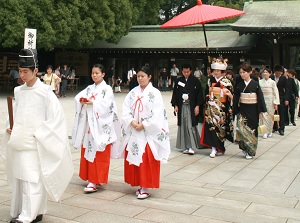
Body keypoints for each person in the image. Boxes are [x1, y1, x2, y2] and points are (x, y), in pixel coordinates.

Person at [0, 48, 73, 223]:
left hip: (35, 141)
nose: (23, 75)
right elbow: (16, 114)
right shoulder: (19, 91)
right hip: (19, 140)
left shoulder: (46, 92)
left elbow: (56, 119)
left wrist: (41, 134)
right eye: (20, 71)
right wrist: (11, 126)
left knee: (31, 178)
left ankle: (28, 215)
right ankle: (32, 211)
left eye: (26, 71)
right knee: (20, 178)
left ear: (35, 70)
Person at [122, 66, 170, 199]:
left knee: (146, 158)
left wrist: (144, 124)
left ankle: (145, 186)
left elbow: (158, 113)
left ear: (149, 77)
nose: (140, 78)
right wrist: (131, 121)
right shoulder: (132, 93)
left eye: (143, 76)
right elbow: (126, 109)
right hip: (134, 129)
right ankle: (138, 183)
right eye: (138, 76)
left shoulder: (155, 93)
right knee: (135, 156)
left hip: (148, 132)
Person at [72, 64, 122, 193]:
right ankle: (91, 178)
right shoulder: (89, 88)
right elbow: (78, 97)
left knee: (99, 153)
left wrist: (93, 103)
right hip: (89, 125)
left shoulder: (107, 89)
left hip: (101, 126)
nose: (94, 75)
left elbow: (107, 106)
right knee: (88, 149)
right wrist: (82, 101)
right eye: (93, 73)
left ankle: (95, 180)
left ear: (103, 74)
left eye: (97, 73)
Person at [201, 59, 234, 158]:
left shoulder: (227, 81)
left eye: (218, 71)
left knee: (221, 128)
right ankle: (213, 148)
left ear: (222, 72)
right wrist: (208, 96)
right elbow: (206, 92)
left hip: (222, 107)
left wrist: (228, 95)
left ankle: (220, 147)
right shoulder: (209, 80)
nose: (215, 72)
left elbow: (231, 95)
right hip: (211, 106)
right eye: (214, 70)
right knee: (211, 127)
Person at [233, 63, 267, 159]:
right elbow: (236, 98)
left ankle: (251, 151)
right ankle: (244, 148)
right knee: (242, 130)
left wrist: (260, 111)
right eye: (240, 73)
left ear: (250, 72)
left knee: (252, 130)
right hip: (243, 109)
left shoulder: (255, 84)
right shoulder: (239, 85)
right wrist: (234, 109)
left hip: (253, 109)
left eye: (244, 72)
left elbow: (260, 98)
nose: (242, 74)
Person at [171, 64, 204, 155]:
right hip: (182, 105)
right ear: (182, 71)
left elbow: (199, 94)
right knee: (183, 125)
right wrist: (175, 105)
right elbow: (175, 94)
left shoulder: (195, 81)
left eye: (188, 72)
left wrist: (197, 106)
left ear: (191, 71)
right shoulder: (178, 81)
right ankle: (185, 146)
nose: (186, 74)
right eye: (184, 72)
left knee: (190, 124)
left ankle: (191, 146)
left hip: (191, 105)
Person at [259, 68, 280, 139]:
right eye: (264, 72)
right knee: (263, 116)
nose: (265, 73)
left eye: (266, 72)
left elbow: (276, 93)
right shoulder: (260, 82)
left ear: (270, 74)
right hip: (262, 100)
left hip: (270, 101)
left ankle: (270, 130)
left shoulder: (272, 82)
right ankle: (264, 132)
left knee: (270, 117)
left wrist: (276, 102)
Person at [271, 65, 289, 136]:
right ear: (275, 72)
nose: (279, 74)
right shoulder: (271, 77)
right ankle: (275, 126)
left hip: (281, 97)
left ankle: (281, 128)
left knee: (281, 113)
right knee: (273, 113)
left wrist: (286, 99)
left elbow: (287, 89)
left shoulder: (283, 78)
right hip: (273, 97)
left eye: (280, 73)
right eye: (277, 73)